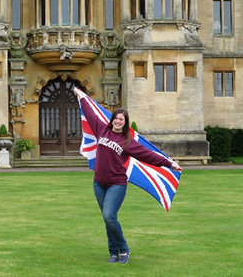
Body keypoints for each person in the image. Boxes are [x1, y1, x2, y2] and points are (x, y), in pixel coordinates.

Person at [74, 88, 181, 264]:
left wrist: (170, 163)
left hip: (116, 184)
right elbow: (90, 112)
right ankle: (113, 252)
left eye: (121, 119)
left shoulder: (127, 142)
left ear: (125, 123)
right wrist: (81, 95)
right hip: (99, 184)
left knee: (109, 216)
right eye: (115, 118)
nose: (117, 121)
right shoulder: (102, 130)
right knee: (108, 219)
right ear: (112, 120)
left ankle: (123, 248)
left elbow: (149, 155)